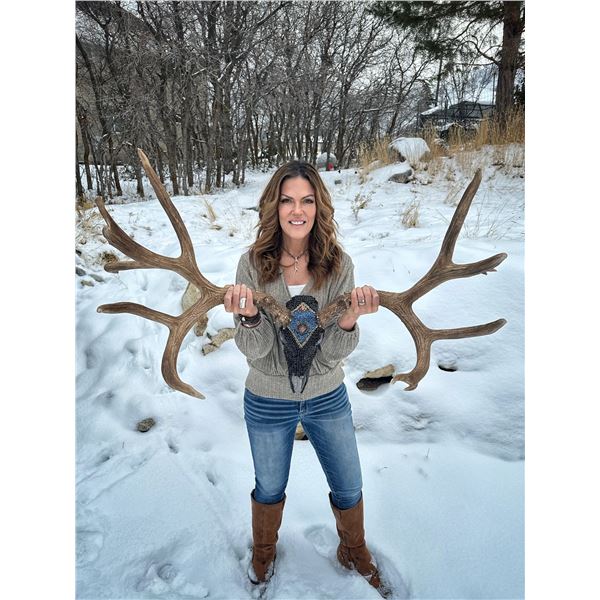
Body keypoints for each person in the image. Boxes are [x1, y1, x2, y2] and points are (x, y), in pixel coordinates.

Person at [224, 160, 382, 592]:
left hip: (327, 396)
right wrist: (252, 317)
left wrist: (348, 317)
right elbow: (258, 356)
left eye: (307, 200)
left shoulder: (338, 265)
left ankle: (353, 549)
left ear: (319, 206)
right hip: (267, 399)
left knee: (349, 485)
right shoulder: (252, 266)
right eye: (288, 200)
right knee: (269, 487)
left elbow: (330, 357)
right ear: (274, 207)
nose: (298, 210)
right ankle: (263, 551)